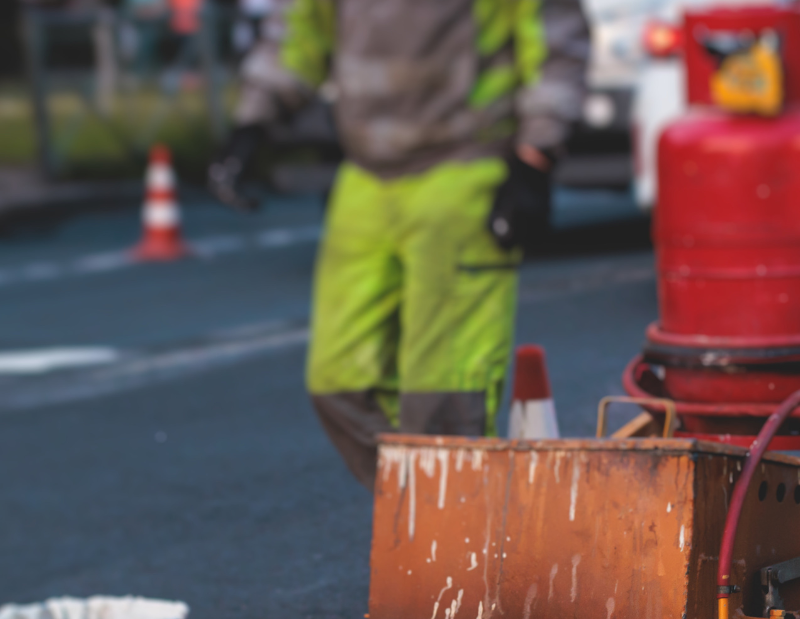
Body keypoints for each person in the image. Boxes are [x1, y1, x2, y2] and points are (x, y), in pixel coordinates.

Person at [208, 0, 591, 484]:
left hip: (465, 171)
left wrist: (537, 155)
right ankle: (433, 516)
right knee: (340, 385)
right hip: (366, 176)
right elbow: (299, 31)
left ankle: (446, 533)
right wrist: (252, 123)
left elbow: (554, 40)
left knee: (445, 398)